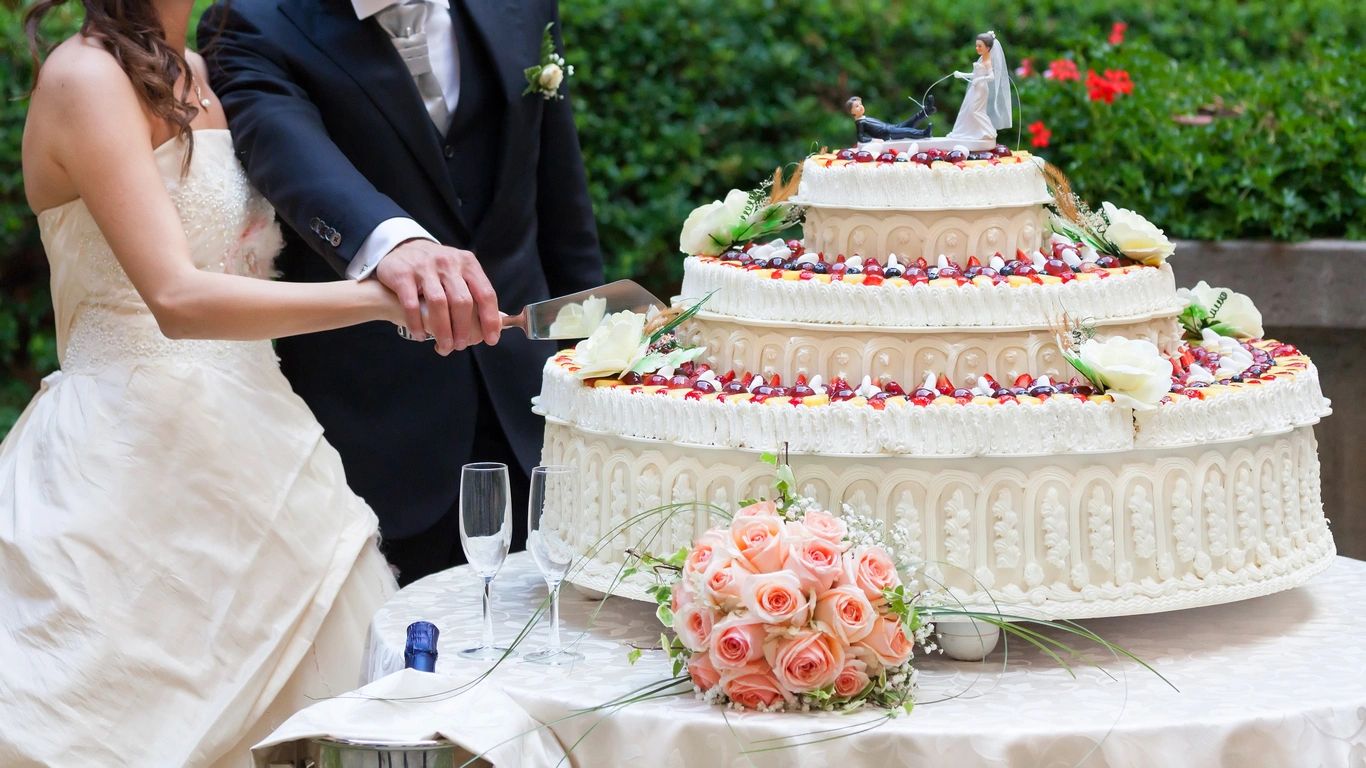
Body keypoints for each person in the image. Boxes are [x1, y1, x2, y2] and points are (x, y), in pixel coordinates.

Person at [2, 0, 403, 763]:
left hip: (264, 445)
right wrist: (381, 301)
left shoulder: (210, 71)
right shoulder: (84, 76)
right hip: (125, 469)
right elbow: (177, 300)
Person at [200, 0, 605, 585]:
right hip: (377, 435)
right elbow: (290, 152)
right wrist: (390, 245)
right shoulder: (254, 22)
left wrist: (594, 357)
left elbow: (558, 201)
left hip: (536, 414)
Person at [946, 31, 1012, 142]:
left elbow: (991, 77)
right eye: (976, 46)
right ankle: (966, 132)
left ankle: (989, 131)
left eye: (980, 46)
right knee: (967, 109)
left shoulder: (988, 62)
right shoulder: (982, 59)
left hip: (981, 89)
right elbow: (976, 74)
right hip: (975, 87)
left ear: (988, 47)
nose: (977, 48)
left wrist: (980, 80)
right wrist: (962, 74)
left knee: (976, 111)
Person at [846, 94, 936, 144]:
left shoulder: (864, 117)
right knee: (906, 131)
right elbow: (860, 138)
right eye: (857, 106)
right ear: (851, 111)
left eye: (861, 104)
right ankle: (924, 133)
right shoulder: (860, 123)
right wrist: (874, 140)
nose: (861, 107)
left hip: (890, 127)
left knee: (909, 122)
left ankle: (926, 111)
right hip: (888, 135)